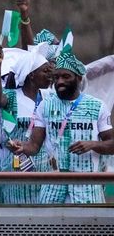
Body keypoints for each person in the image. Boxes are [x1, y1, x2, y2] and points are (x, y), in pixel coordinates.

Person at [11, 52, 114, 204]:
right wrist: (20, 146)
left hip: (86, 188)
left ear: (79, 78)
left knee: (87, 228)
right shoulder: (45, 106)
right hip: (53, 186)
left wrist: (93, 144)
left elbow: (112, 144)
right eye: (56, 77)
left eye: (66, 76)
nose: (59, 81)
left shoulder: (97, 106)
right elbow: (34, 146)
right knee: (49, 228)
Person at [0, 46, 53, 204]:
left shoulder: (49, 98)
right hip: (15, 167)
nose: (50, 76)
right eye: (45, 71)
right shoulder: (11, 96)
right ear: (31, 75)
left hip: (44, 169)